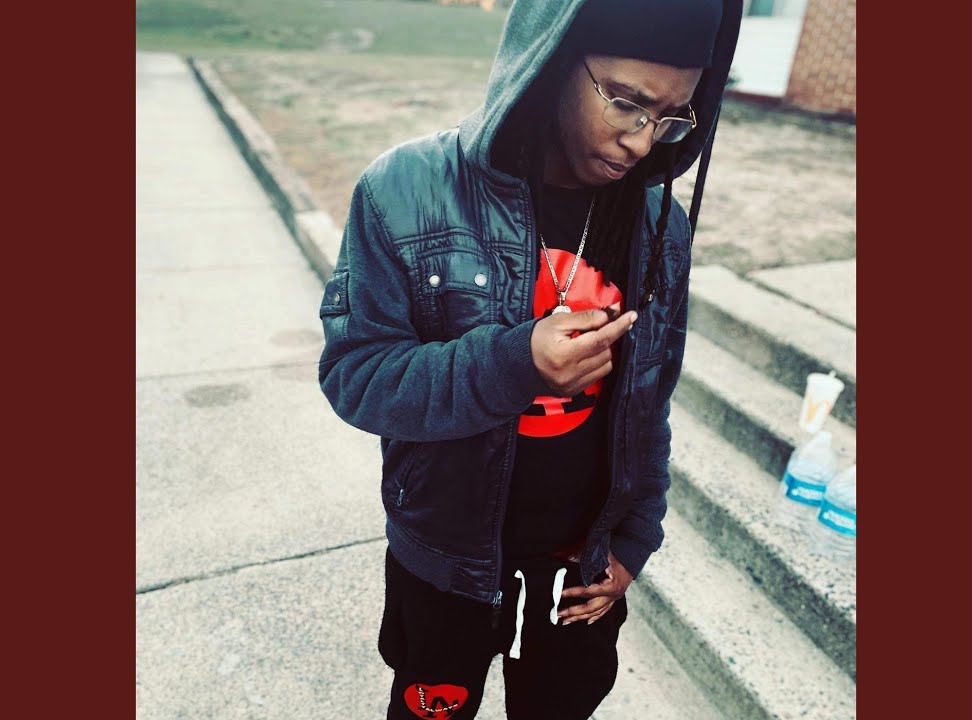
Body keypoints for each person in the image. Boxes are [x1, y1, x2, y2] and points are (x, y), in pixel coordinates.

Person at [318, 1, 741, 717]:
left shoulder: (660, 225)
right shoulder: (405, 190)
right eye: (627, 102)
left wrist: (635, 540)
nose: (643, 141)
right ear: (550, 57)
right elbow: (356, 377)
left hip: (581, 571)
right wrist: (515, 365)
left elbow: (650, 401)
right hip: (444, 563)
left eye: (673, 118)